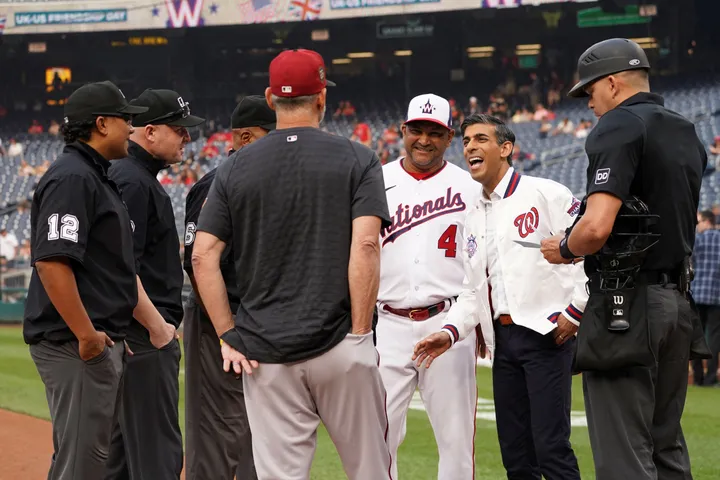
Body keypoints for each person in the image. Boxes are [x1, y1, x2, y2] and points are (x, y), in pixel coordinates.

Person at [191, 48, 393, 480]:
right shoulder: (358, 158)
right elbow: (366, 247)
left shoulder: (232, 169)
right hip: (341, 341)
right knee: (370, 471)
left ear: (270, 98)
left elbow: (202, 255)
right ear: (322, 97)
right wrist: (360, 333)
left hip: (264, 352)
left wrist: (228, 334)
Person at [542, 38, 709, 479]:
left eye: (590, 91)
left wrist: (563, 247)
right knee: (665, 446)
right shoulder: (685, 129)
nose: (589, 103)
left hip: (627, 304)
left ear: (613, 83)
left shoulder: (618, 124)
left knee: (624, 456)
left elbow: (596, 227)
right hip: (675, 304)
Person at [413, 114, 585, 480]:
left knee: (551, 447)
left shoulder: (545, 192)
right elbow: (472, 291)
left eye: (480, 139)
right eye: (465, 141)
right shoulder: (472, 214)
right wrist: (449, 331)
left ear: (506, 148)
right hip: (502, 343)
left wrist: (576, 309)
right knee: (515, 455)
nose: (470, 147)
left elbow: (590, 250)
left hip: (546, 335)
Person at [22, 80, 175, 480]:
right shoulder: (73, 177)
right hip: (73, 344)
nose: (131, 128)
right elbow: (53, 262)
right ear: (102, 124)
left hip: (94, 340)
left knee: (86, 461)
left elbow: (113, 271)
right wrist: (88, 335)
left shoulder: (95, 175)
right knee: (82, 466)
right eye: (126, 120)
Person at [376, 93, 480, 480]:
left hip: (447, 320)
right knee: (378, 436)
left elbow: (480, 259)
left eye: (434, 132)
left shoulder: (469, 186)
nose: (424, 139)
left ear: (449, 136)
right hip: (388, 323)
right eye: (417, 130)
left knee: (456, 441)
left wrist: (474, 319)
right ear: (403, 130)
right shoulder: (377, 180)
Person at [105, 88, 204, 480]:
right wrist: (155, 327)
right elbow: (119, 266)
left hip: (135, 334)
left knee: (120, 458)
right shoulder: (132, 180)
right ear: (149, 131)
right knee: (156, 456)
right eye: (179, 129)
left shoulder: (133, 177)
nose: (187, 137)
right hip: (144, 336)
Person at [182, 95, 275, 480]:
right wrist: (226, 327)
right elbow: (197, 260)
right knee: (215, 433)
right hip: (218, 322)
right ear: (246, 137)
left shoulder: (274, 181)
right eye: (274, 134)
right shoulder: (214, 185)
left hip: (264, 322)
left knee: (265, 432)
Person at [690, 210, 720, 387]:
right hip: (717, 296)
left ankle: (699, 378)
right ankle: (710, 378)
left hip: (698, 293)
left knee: (695, 337)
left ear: (707, 221)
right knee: (714, 338)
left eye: (700, 221)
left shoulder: (698, 240)